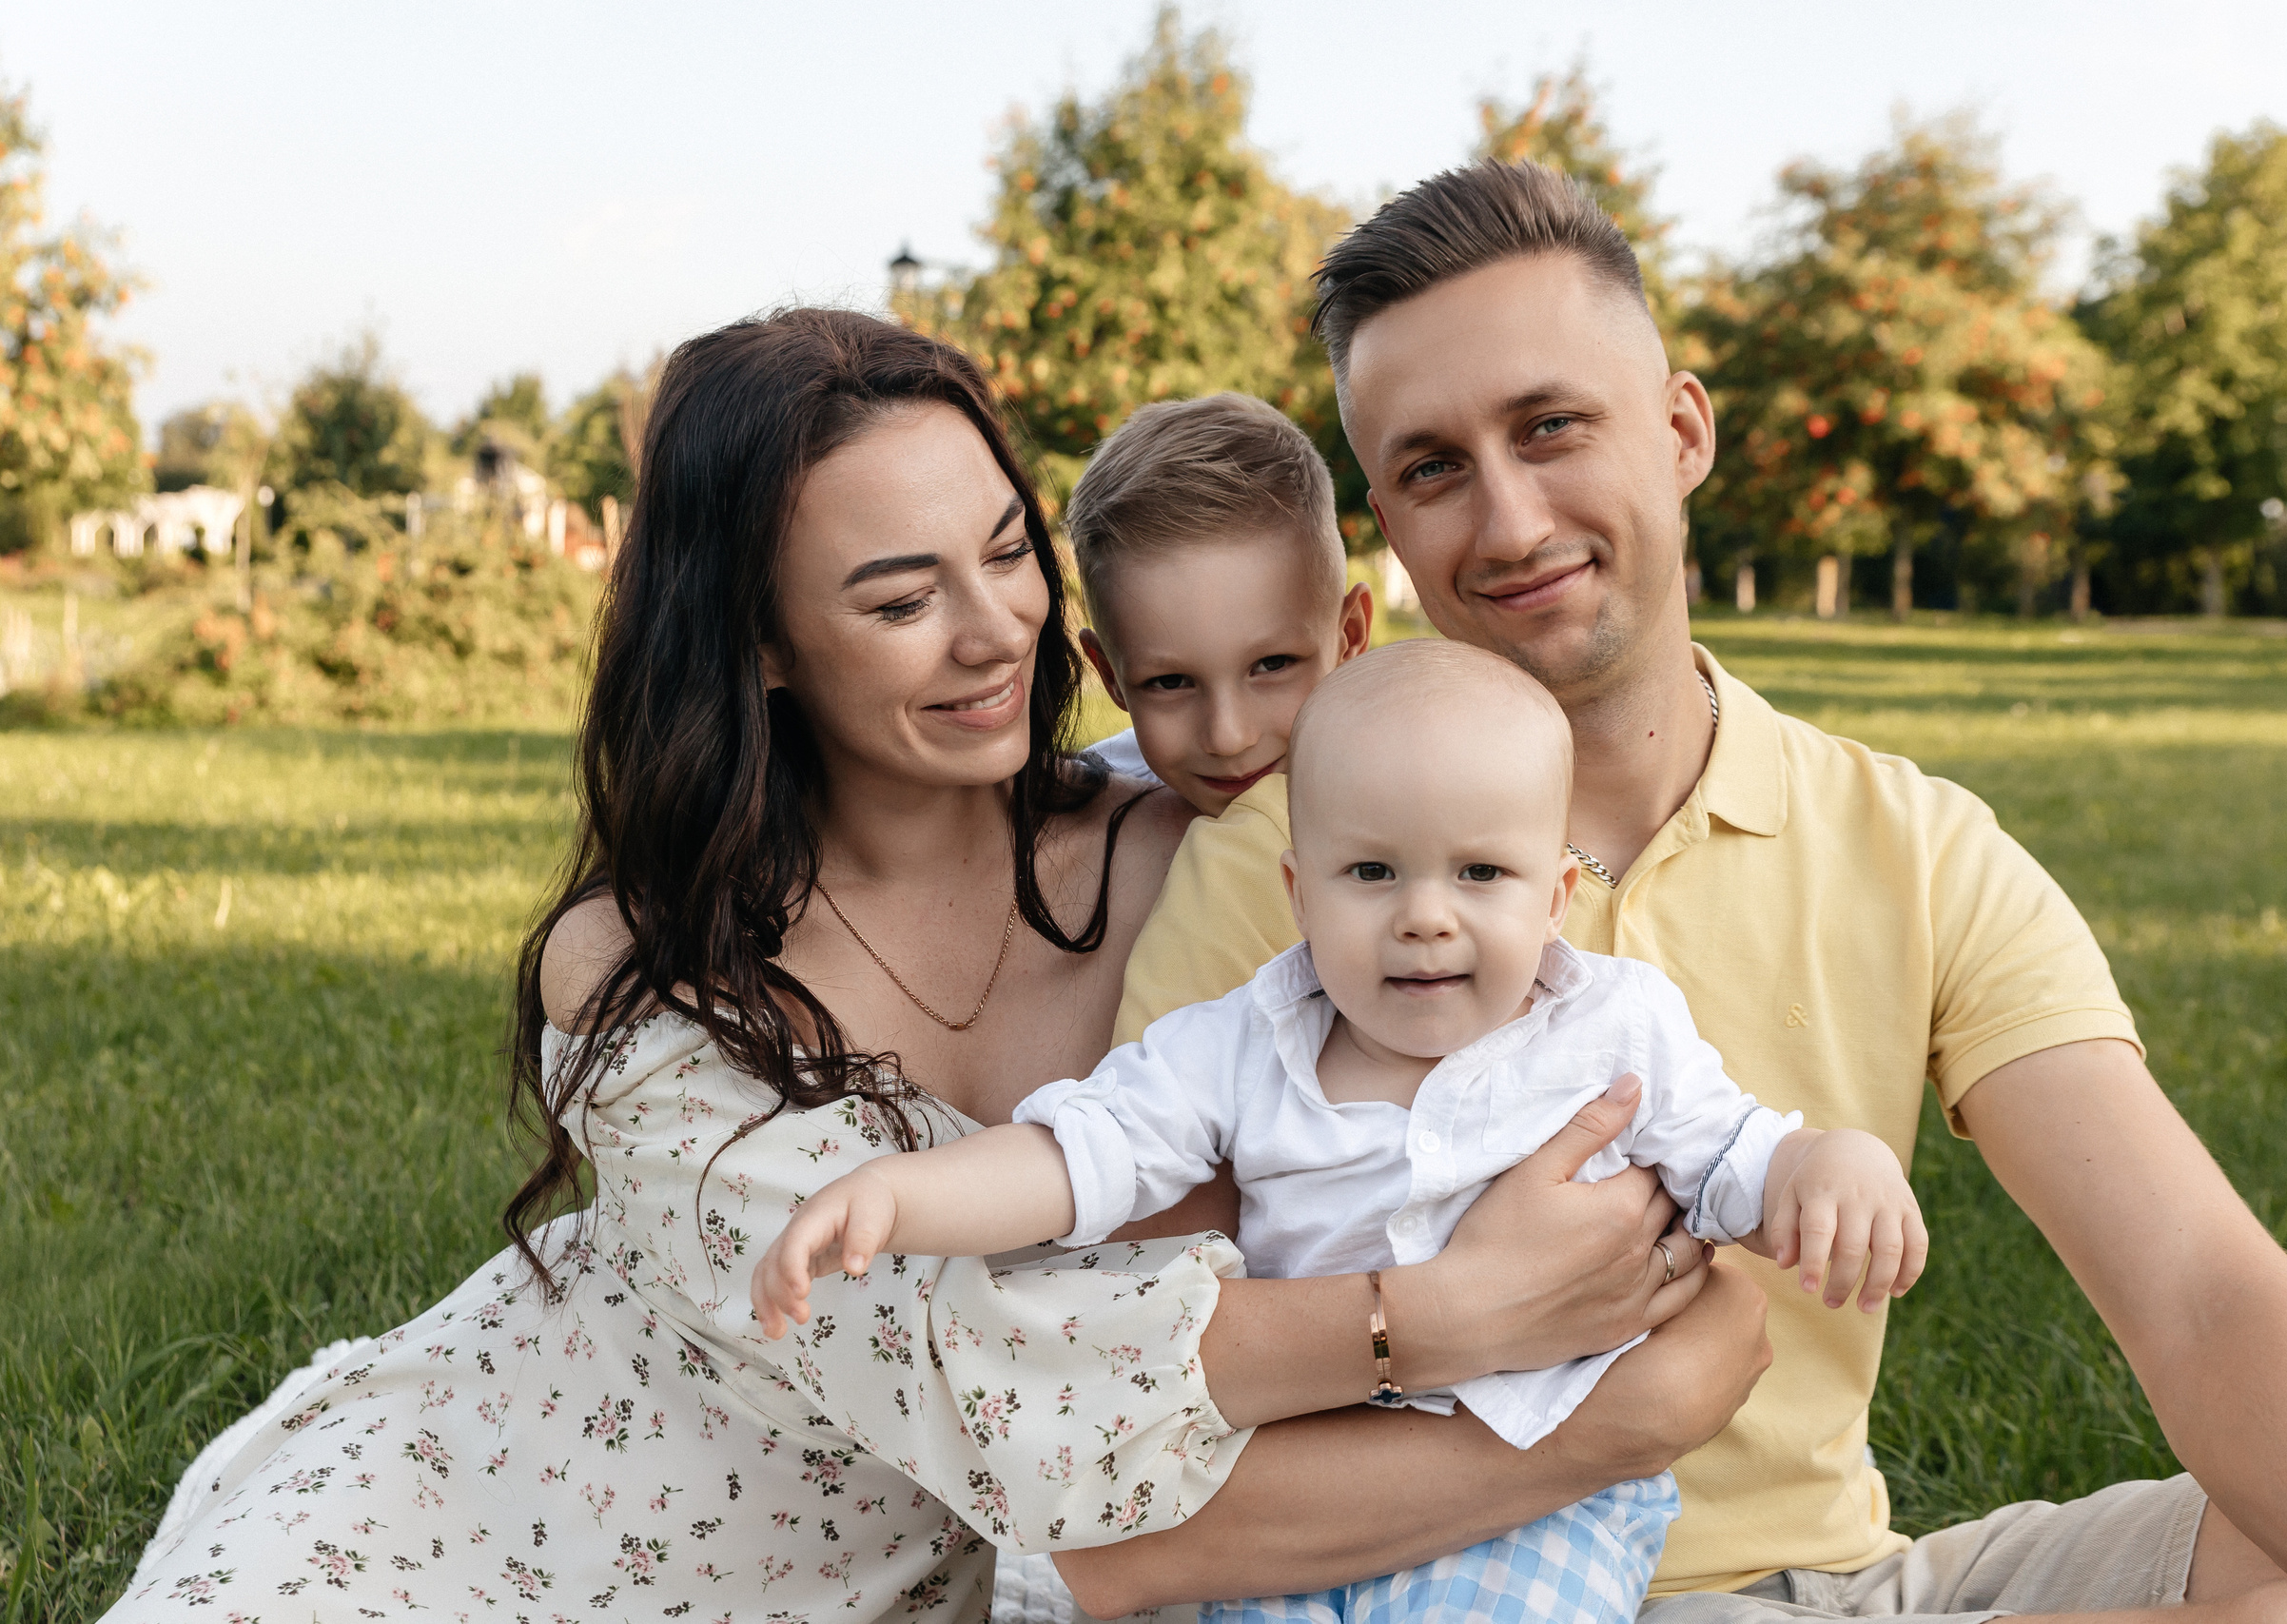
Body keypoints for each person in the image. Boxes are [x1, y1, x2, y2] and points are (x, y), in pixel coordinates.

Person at [103, 308, 1774, 1624]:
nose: (998, 632)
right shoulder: (650, 966)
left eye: (1007, 552)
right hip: (504, 1516)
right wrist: (1458, 1327)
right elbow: (972, 1362)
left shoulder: (1199, 852)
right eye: (903, 599)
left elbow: (1457, 867)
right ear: (761, 642)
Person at [1068, 162, 2287, 1623]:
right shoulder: (1283, 870)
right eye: (1432, 467)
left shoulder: (1908, 839)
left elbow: (2200, 1288)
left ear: (1681, 430)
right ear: (1387, 527)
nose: (1510, 520)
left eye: (1550, 427)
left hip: (1872, 1581)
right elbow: (1122, 1456)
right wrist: (1530, 1378)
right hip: (1519, 1586)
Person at [755, 638, 1930, 1624]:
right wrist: (902, 1198)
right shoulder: (1244, 1044)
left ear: (1552, 898)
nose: (1425, 917)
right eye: (1371, 871)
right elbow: (1080, 1156)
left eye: (1480, 872)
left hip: (1541, 1501)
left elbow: (1737, 1160)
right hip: (1302, 1488)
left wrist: (1831, 1162)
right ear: (1299, 892)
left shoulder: (1612, 1032)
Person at [1067, 391, 1372, 814]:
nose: (1228, 739)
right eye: (1170, 682)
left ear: (1349, 637)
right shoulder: (1081, 819)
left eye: (1272, 664)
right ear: (1109, 674)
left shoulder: (1415, 803)